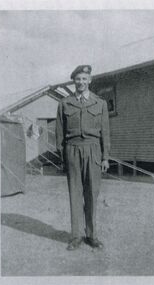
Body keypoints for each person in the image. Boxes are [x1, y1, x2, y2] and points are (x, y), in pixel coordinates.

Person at [56, 65, 110, 250]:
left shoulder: (100, 103)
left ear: (90, 80)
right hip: (72, 150)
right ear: (74, 81)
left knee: (92, 194)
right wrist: (62, 157)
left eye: (84, 79)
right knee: (75, 195)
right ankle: (76, 236)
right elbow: (59, 133)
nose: (81, 82)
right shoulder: (65, 103)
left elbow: (106, 133)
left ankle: (92, 235)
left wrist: (105, 157)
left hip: (93, 151)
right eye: (77, 79)